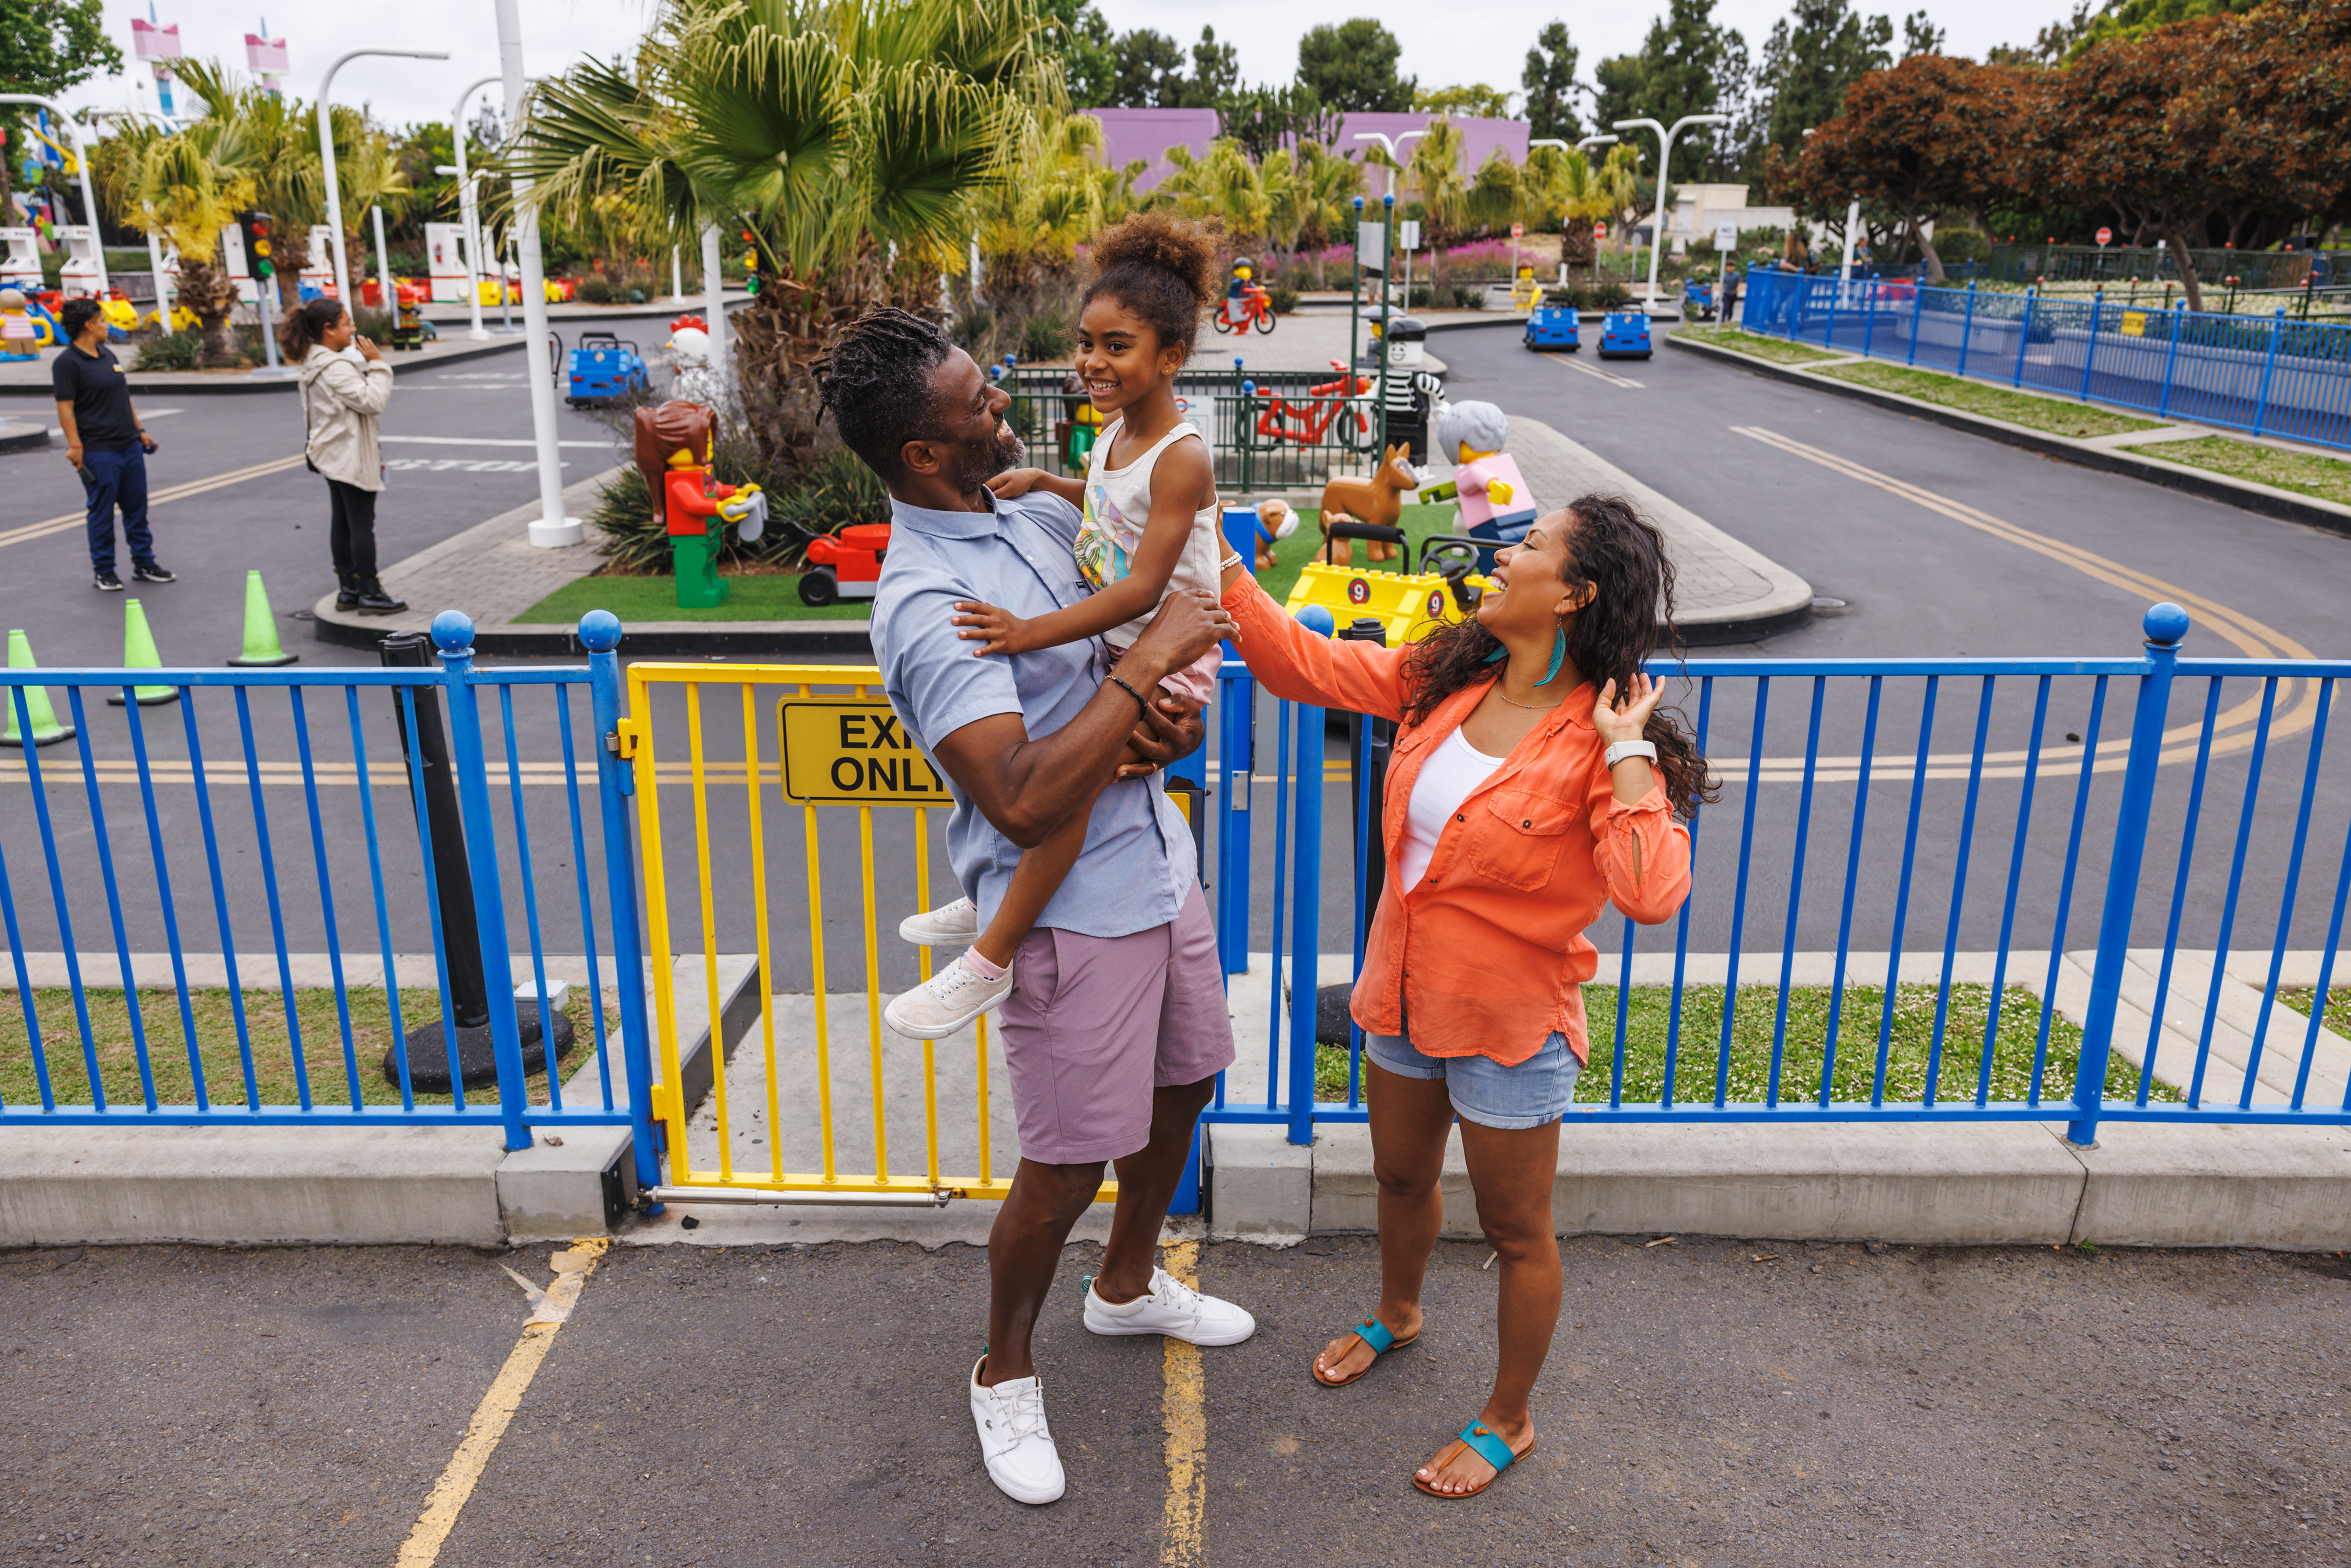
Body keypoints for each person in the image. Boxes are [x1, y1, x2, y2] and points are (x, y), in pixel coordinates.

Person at [821, 305, 1257, 1508]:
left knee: (1184, 1086)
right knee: (1064, 1164)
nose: (1005, 404)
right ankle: (1002, 1366)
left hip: (1154, 861)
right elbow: (1016, 796)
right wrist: (1141, 667)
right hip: (1071, 911)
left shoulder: (1032, 509)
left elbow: (1147, 664)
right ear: (920, 452)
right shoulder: (922, 601)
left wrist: (1173, 712)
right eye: (979, 404)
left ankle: (1124, 1289)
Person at [1215, 495, 1710, 1500]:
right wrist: (1212, 561)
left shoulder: (1600, 739)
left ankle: (1507, 1416)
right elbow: (1301, 664)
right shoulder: (1446, 677)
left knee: (1516, 1232)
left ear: (1572, 592)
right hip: (1401, 998)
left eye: (1524, 546)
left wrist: (1625, 751)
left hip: (1508, 1026)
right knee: (1397, 1181)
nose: (1496, 554)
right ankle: (1398, 1312)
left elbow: (1651, 893)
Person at [884, 213, 1228, 1042]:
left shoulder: (1183, 453)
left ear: (1169, 359)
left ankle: (988, 959)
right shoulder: (1118, 432)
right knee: (1069, 767)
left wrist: (1026, 634)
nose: (1092, 362)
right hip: (1133, 641)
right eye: (1085, 342)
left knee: (1075, 785)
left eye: (1117, 347)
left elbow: (1144, 581)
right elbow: (1115, 502)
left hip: (1165, 648)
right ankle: (995, 895)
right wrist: (1054, 482)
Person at [283, 297, 405, 615]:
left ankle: (348, 590)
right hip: (348, 452)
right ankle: (370, 592)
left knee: (344, 521)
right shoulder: (335, 366)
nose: (353, 329)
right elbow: (371, 400)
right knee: (362, 524)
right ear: (328, 328)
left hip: (330, 452)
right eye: (347, 323)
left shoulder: (313, 361)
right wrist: (378, 364)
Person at [52, 296, 172, 592]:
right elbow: (65, 408)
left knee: (137, 508)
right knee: (102, 513)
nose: (108, 326)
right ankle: (104, 571)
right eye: (103, 321)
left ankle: (144, 563)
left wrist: (139, 430)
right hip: (98, 450)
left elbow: (123, 397)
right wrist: (75, 446)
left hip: (128, 445)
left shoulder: (108, 356)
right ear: (89, 325)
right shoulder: (67, 363)